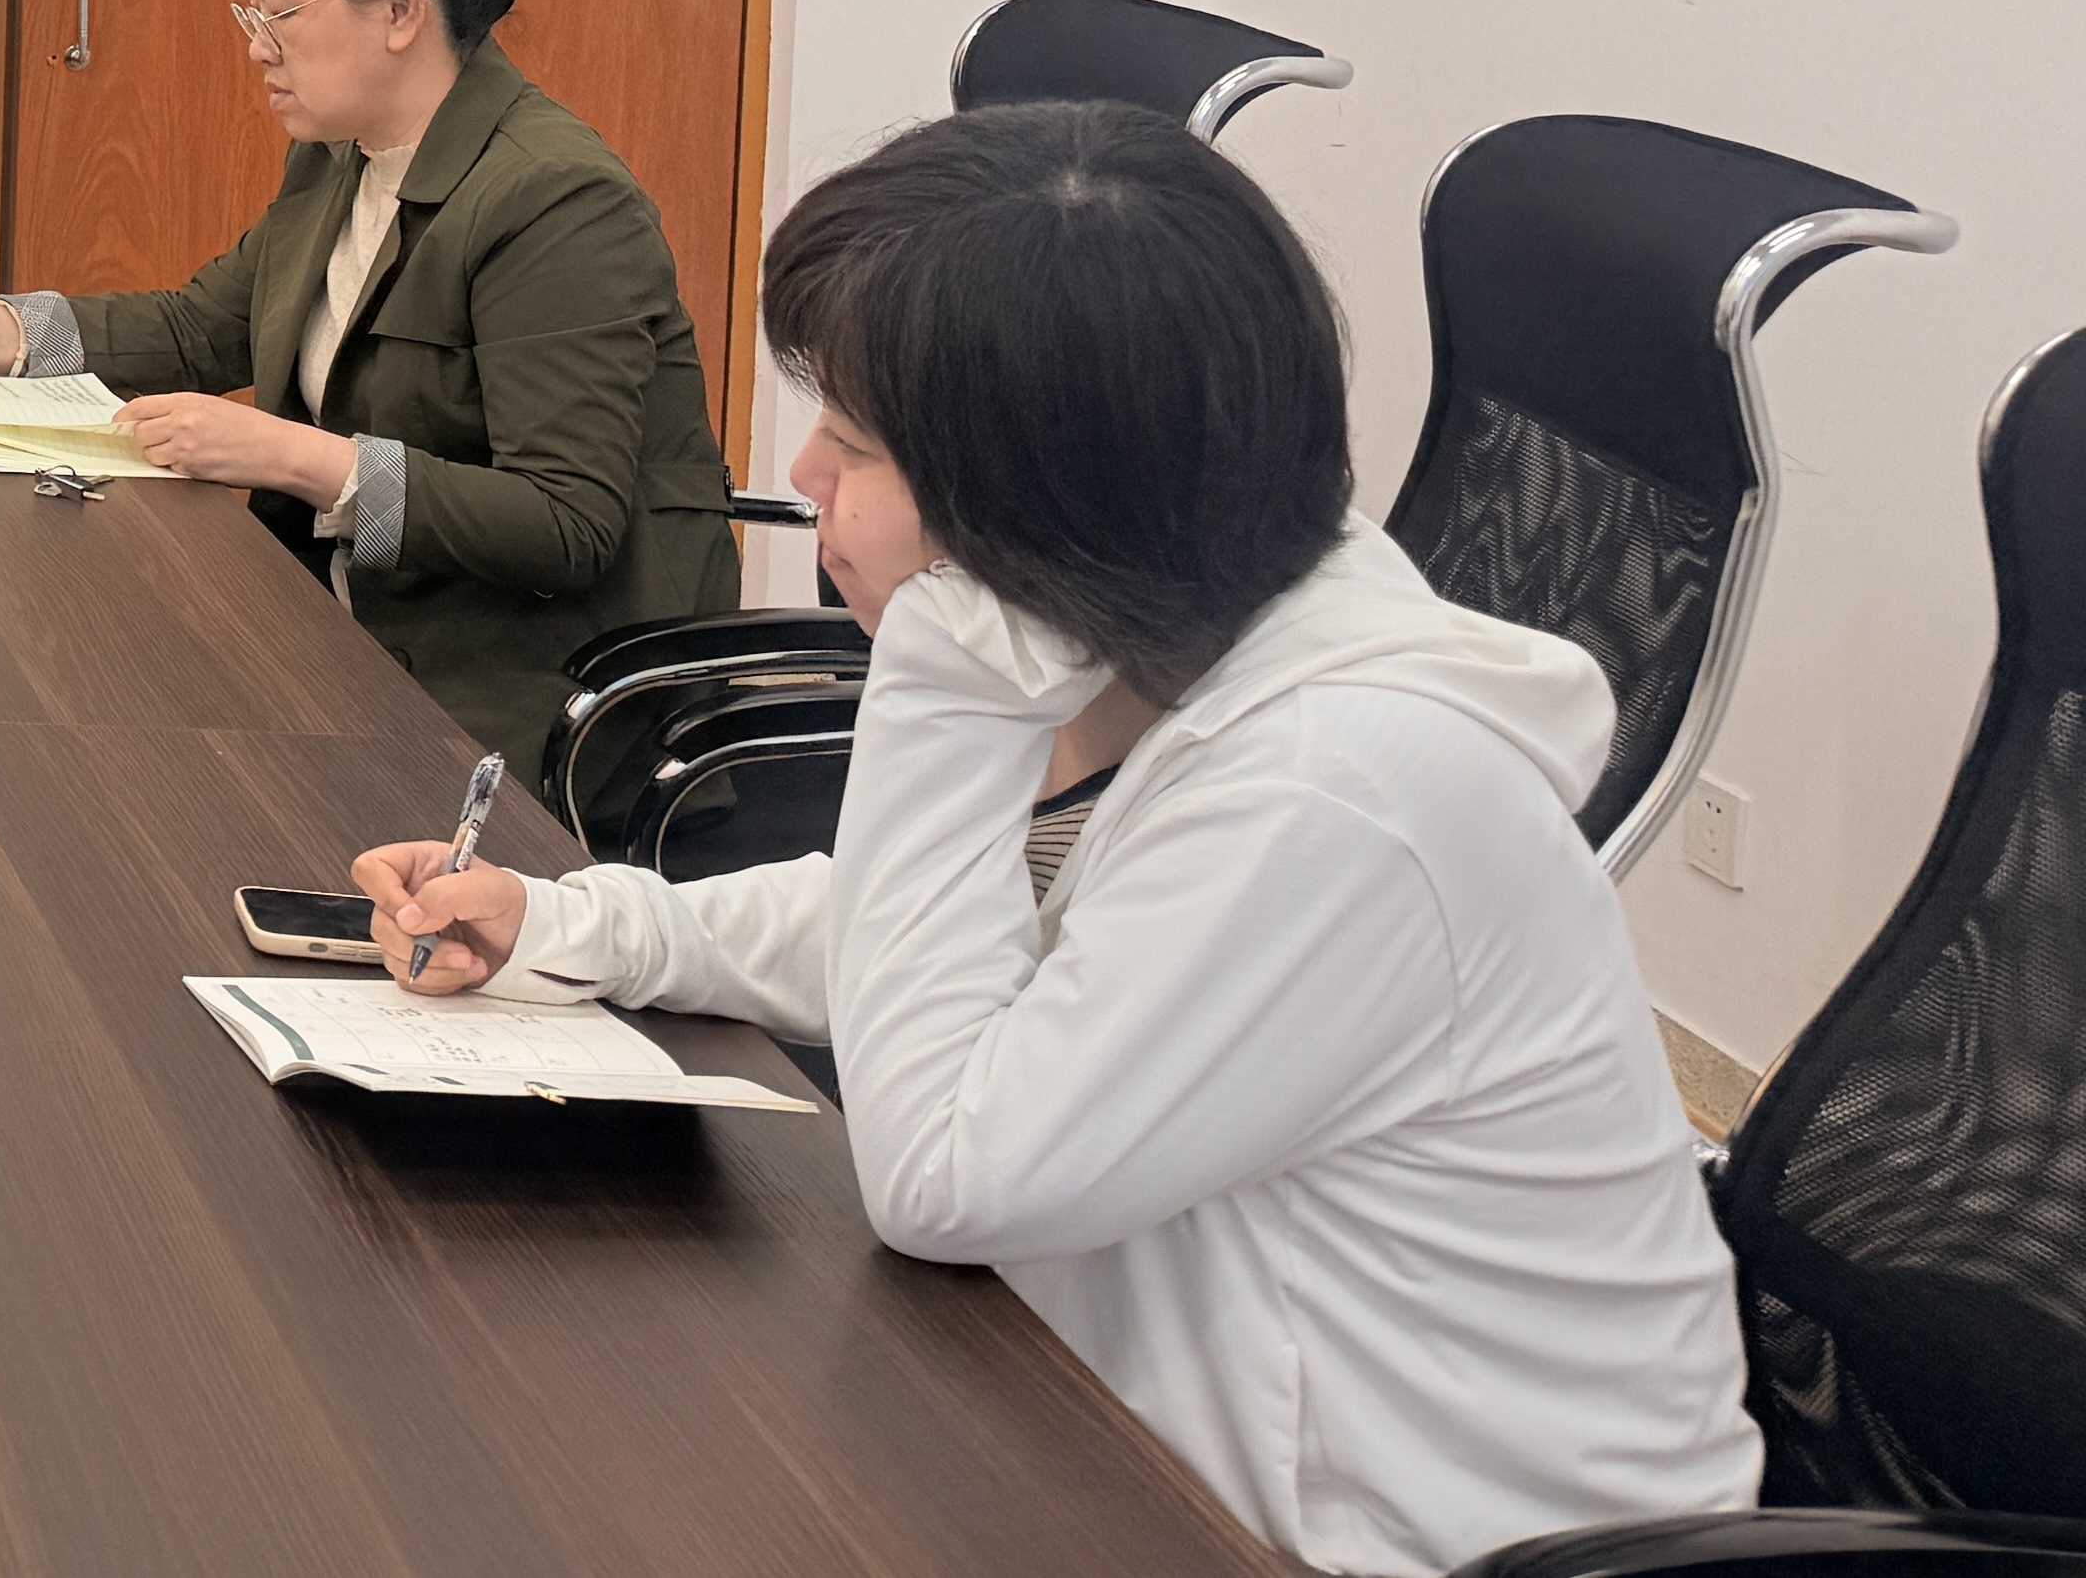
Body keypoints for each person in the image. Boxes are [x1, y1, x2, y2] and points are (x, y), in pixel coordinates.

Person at [355, 102, 1759, 1576]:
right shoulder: (1185, 609)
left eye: (856, 441)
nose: (806, 472)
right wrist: (579, 926)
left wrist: (939, 676)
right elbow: (964, 937)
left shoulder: (1337, 790)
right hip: (1149, 1444)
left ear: (1040, 510)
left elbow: (949, 1179)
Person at [0, 0, 735, 756]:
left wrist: (293, 455)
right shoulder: (342, 157)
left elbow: (564, 522)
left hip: (523, 697)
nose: (257, 49)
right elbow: (203, 327)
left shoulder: (554, 198)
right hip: (343, 634)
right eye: (250, 13)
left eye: (278, 12)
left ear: (400, 6)